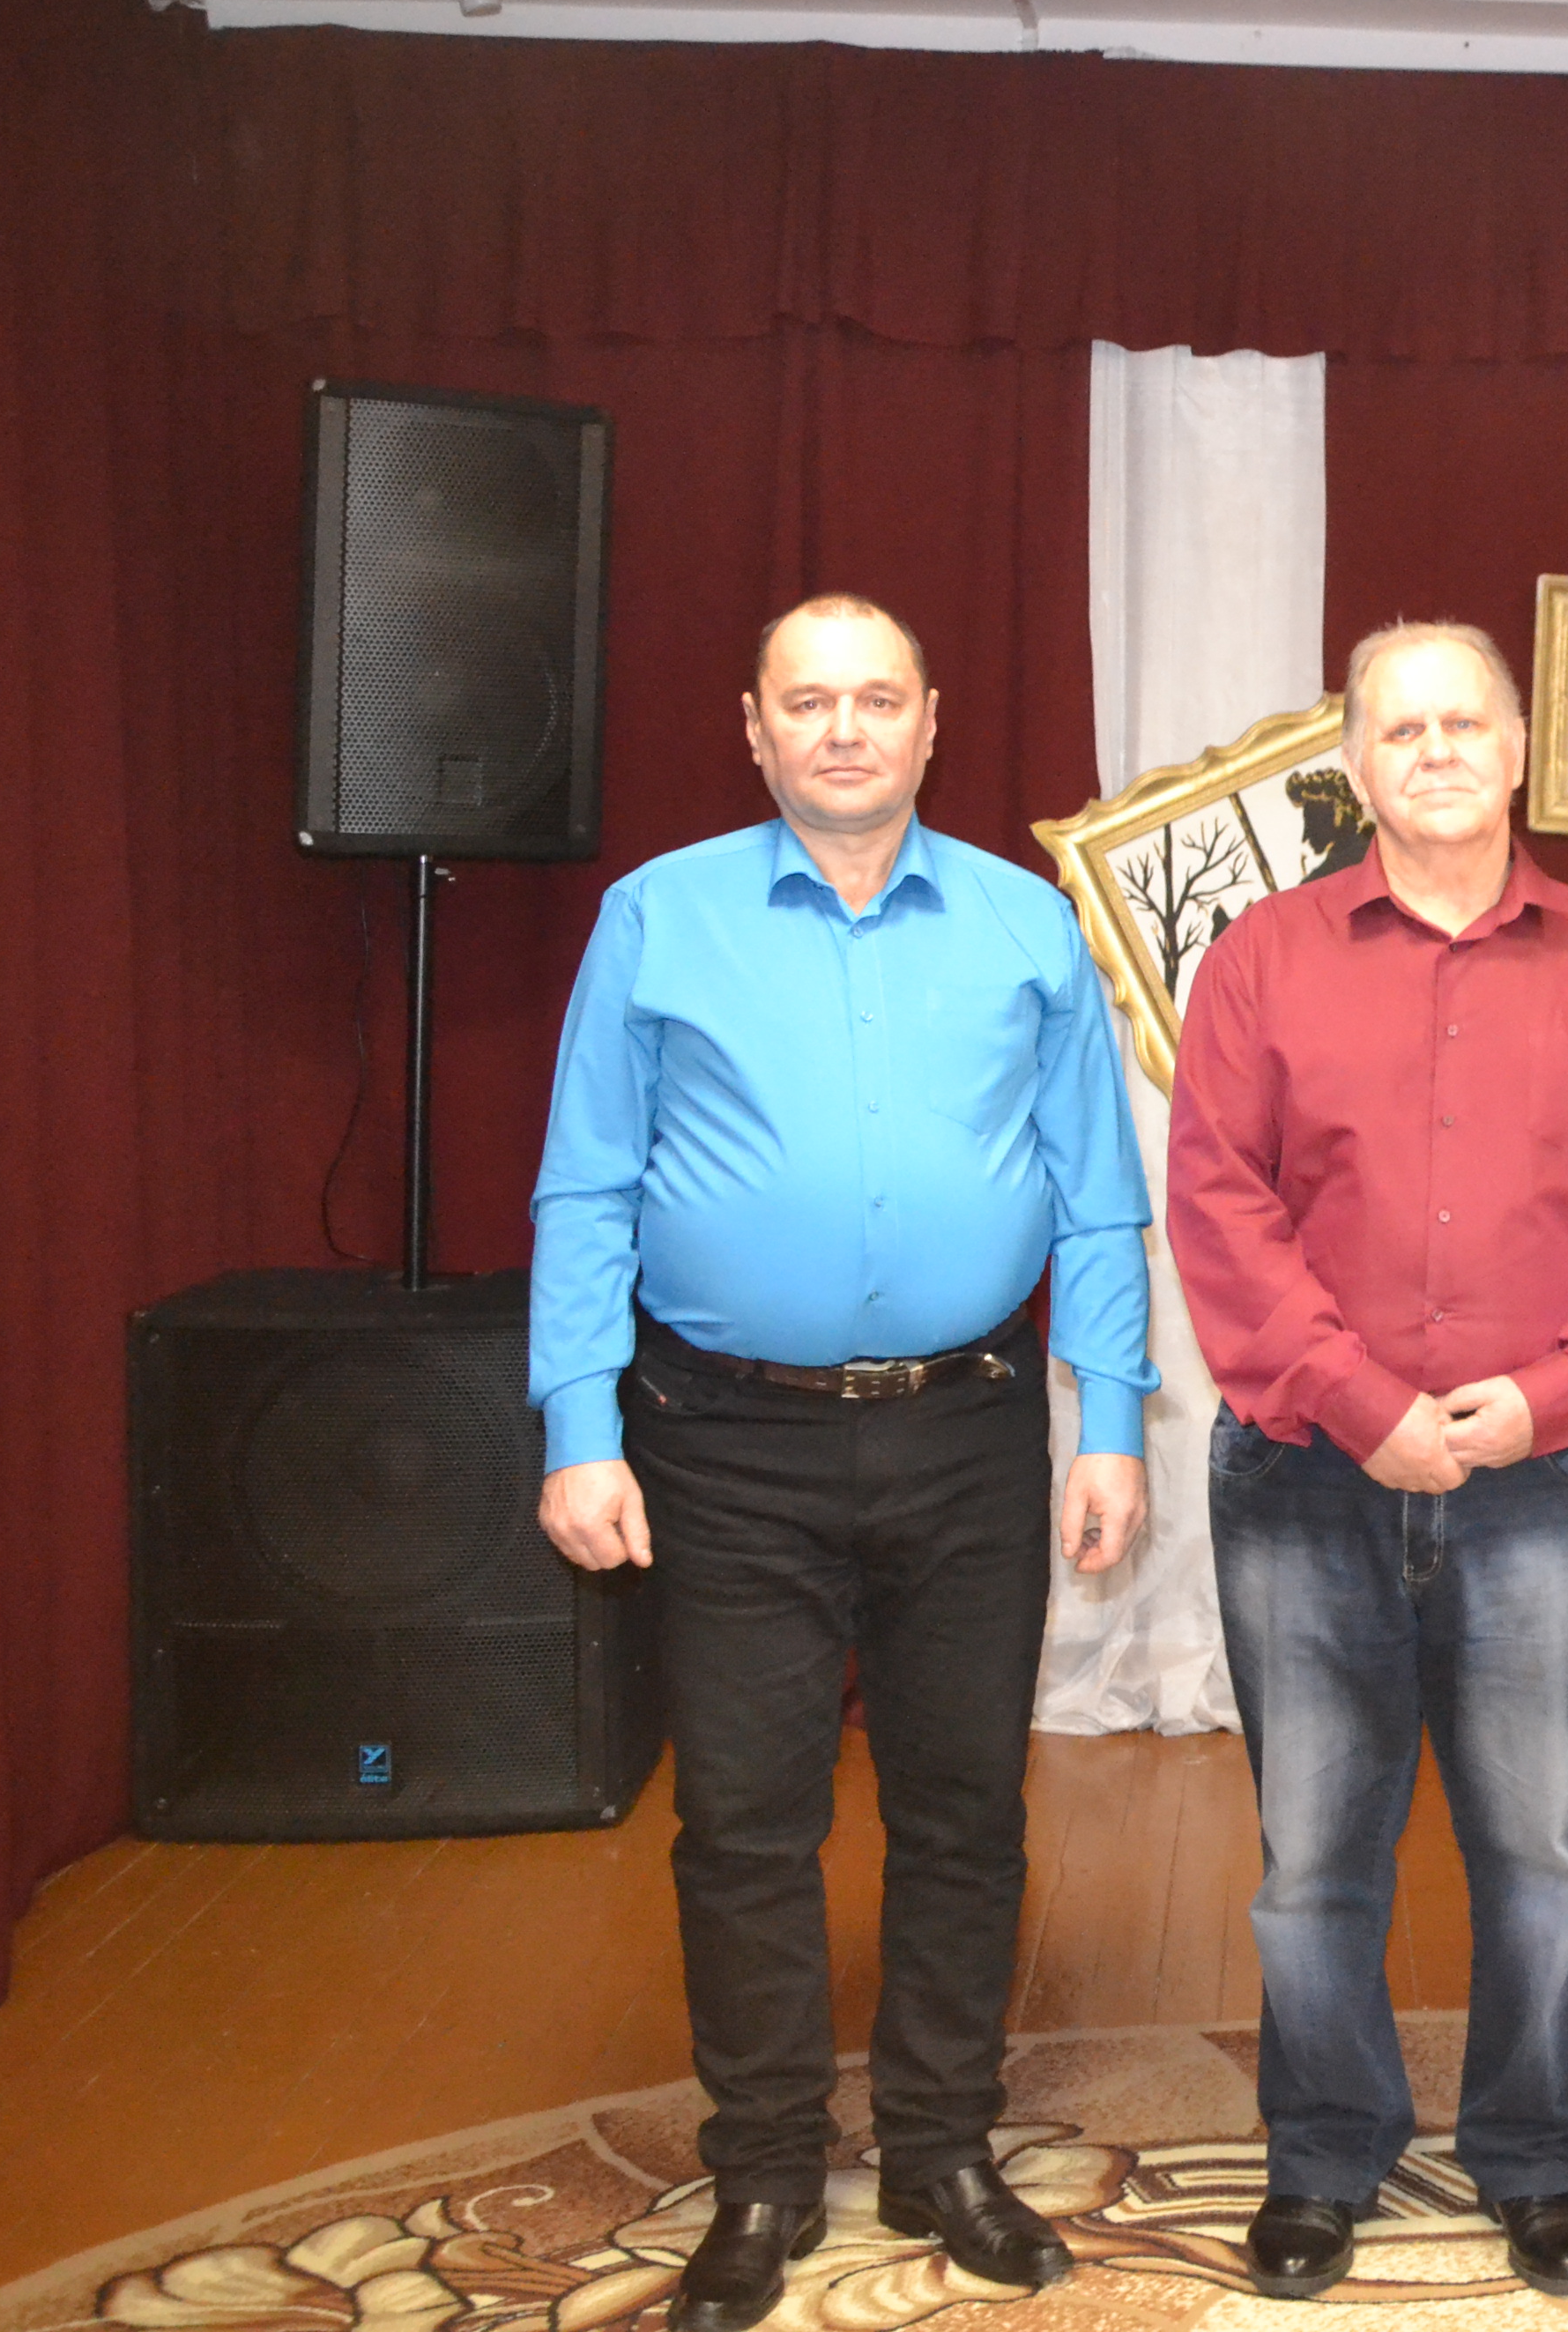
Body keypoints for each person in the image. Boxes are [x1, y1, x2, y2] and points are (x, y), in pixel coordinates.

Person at [530, 594, 1156, 2332]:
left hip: (967, 1429)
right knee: (744, 1823)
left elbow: (1100, 1197)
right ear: (754, 729)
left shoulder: (1030, 926)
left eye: (878, 698)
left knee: (965, 1812)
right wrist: (578, 1426)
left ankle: (945, 2149)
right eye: (808, 702)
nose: (845, 729)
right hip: (723, 1443)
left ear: (931, 722)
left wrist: (1111, 1420)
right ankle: (764, 2174)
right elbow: (586, 1183)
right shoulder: (657, 918)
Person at [1163, 620, 1568, 2305]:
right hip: (1307, 1476)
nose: (1437, 752)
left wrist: (1553, 1398)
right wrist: (1360, 1401)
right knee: (1313, 1857)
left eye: (1465, 722)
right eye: (1401, 731)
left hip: (1546, 1480)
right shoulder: (1261, 958)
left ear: (1520, 745)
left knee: (1541, 1851)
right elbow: (1219, 1203)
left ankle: (1534, 2153)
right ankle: (1326, 2152)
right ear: (1355, 765)